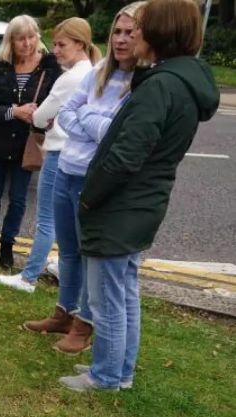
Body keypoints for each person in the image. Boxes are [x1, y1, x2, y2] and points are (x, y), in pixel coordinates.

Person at [60, 0, 219, 392]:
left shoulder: (160, 85)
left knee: (108, 298)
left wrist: (91, 197)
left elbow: (126, 155)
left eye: (142, 29)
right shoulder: (176, 80)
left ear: (161, 34)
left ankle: (107, 376)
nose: (135, 36)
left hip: (123, 207)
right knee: (124, 290)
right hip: (143, 203)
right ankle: (120, 371)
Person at [21, 2, 143, 355]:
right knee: (70, 251)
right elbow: (67, 117)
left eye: (129, 33)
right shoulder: (99, 71)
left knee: (91, 256)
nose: (120, 40)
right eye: (116, 32)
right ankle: (64, 311)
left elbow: (111, 132)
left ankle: (83, 325)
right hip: (66, 169)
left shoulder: (141, 80)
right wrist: (90, 121)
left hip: (93, 177)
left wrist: (86, 119)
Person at [0, 18, 101, 293]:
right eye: (54, 43)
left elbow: (41, 117)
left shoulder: (71, 78)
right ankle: (63, 269)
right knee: (68, 220)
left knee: (47, 219)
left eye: (61, 44)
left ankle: (28, 277)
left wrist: (42, 117)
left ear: (80, 44)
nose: (55, 50)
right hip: (78, 153)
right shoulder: (92, 71)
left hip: (58, 152)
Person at [0, 15, 62, 269]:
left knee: (18, 199)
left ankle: (7, 245)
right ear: (11, 42)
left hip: (27, 146)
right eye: (20, 38)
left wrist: (42, 118)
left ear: (37, 37)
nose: (27, 43)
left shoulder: (50, 69)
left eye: (31, 36)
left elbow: (58, 106)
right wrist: (15, 111)